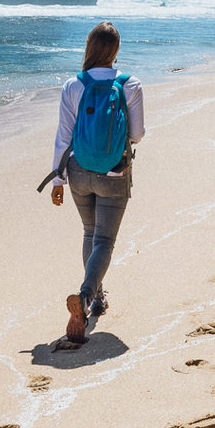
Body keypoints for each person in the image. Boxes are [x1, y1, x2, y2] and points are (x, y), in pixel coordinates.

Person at [48, 21, 144, 349]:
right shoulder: (129, 84)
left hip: (77, 170)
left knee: (90, 233)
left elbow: (63, 135)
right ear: (115, 51)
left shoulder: (73, 86)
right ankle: (88, 298)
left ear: (89, 48)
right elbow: (138, 134)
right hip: (115, 172)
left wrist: (58, 179)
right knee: (104, 238)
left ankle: (98, 296)